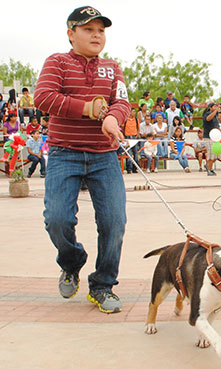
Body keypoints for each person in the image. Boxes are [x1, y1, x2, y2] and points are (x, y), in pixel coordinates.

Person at [34, 6, 130, 313]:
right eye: (89, 29)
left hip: (104, 156)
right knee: (58, 220)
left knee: (114, 222)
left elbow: (122, 101)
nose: (97, 35)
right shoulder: (57, 62)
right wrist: (87, 109)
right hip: (64, 153)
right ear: (71, 33)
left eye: (101, 30)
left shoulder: (113, 68)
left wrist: (114, 117)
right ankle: (72, 261)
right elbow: (43, 97)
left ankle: (102, 285)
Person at [202, 102, 221, 176]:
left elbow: (217, 126)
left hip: (215, 137)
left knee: (217, 154)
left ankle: (208, 165)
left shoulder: (215, 116)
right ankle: (209, 169)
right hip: (208, 137)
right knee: (210, 154)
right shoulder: (207, 114)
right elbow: (208, 119)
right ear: (210, 107)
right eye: (214, 106)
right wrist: (215, 111)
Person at [122, 109, 139, 173]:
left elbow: (138, 128)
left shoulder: (136, 120)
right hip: (128, 137)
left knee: (135, 153)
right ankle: (129, 168)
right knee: (128, 153)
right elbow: (123, 128)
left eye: (134, 112)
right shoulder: (126, 120)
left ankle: (135, 168)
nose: (134, 113)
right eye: (133, 111)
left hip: (134, 137)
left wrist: (137, 134)